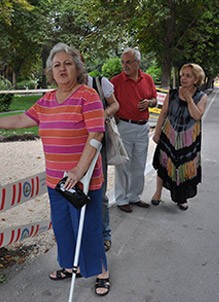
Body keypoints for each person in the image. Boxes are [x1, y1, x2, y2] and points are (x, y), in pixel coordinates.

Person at [0, 43, 110, 296]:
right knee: (63, 227)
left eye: (67, 63)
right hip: (56, 181)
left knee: (87, 228)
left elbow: (96, 134)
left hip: (82, 180)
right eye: (57, 65)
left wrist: (79, 169)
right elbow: (22, 119)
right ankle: (69, 266)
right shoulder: (47, 100)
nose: (62, 68)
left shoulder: (88, 96)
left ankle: (101, 272)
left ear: (77, 67)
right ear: (50, 72)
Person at [151, 63, 207, 210]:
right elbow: (163, 113)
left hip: (188, 141)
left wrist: (189, 98)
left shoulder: (201, 97)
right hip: (169, 136)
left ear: (196, 79)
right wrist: (157, 133)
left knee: (184, 169)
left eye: (188, 76)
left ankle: (181, 198)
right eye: (182, 75)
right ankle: (158, 193)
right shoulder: (173, 93)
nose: (183, 78)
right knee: (164, 165)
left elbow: (197, 115)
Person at [110, 47, 157, 213]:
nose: (125, 65)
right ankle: (122, 199)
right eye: (123, 62)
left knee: (139, 164)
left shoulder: (148, 79)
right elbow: (107, 102)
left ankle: (134, 197)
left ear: (137, 63)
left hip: (143, 127)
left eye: (128, 62)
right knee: (123, 165)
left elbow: (155, 100)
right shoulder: (115, 81)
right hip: (125, 126)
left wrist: (149, 103)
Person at [87, 75, 119, 251]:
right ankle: (85, 235)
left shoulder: (99, 83)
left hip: (98, 146)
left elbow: (115, 104)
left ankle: (104, 234)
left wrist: (103, 113)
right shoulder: (66, 86)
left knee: (100, 192)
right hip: (75, 148)